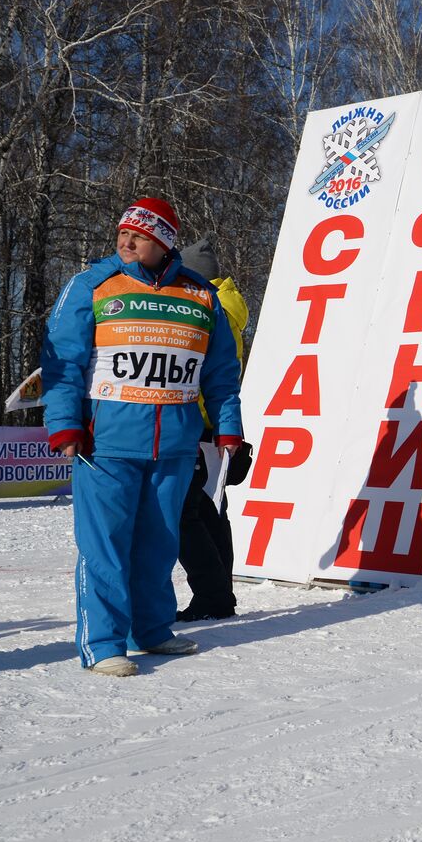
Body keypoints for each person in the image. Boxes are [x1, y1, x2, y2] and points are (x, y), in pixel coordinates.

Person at [42, 197, 244, 677]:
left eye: (140, 236)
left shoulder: (200, 295)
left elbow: (219, 372)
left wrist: (229, 427)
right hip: (104, 444)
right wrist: (65, 423)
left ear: (164, 243)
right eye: (123, 235)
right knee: (106, 545)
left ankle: (150, 630)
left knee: (160, 543)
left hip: (174, 443)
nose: (127, 242)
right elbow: (62, 362)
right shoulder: (91, 285)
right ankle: (103, 643)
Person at [174, 239, 249, 622]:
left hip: (197, 426)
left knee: (184, 517)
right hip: (218, 430)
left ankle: (212, 594)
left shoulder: (207, 309)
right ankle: (221, 594)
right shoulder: (229, 310)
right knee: (211, 514)